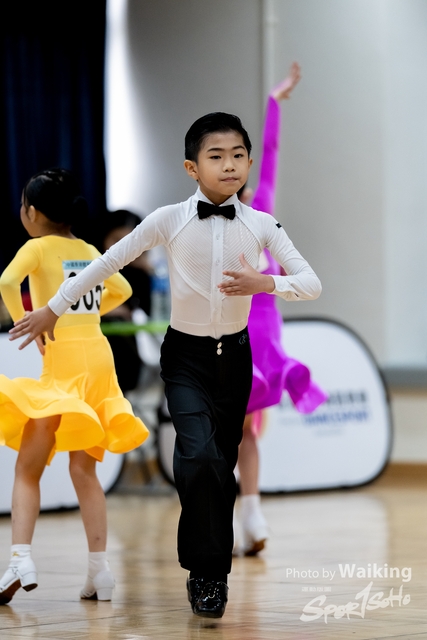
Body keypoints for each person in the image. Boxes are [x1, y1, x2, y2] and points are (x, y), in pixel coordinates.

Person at [10, 115, 322, 618]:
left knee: (220, 467)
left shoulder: (262, 225)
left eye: (238, 155)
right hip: (185, 357)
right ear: (191, 167)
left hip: (235, 358)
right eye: (216, 156)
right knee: (199, 458)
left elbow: (310, 283)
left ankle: (213, 569)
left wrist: (266, 284)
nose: (229, 165)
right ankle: (206, 573)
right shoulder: (167, 219)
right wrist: (52, 308)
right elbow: (105, 264)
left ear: (248, 162)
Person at [0, 169, 149, 605]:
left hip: (64, 359)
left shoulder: (36, 247)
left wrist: (28, 324)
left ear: (32, 212)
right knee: (84, 470)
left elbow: (7, 282)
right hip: (99, 359)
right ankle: (99, 571)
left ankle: (20, 559)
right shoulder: (88, 250)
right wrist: (87, 313)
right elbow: (121, 289)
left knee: (29, 467)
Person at [235, 63, 328, 556]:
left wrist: (274, 101)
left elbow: (269, 154)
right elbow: (269, 153)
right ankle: (242, 515)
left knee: (242, 428)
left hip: (253, 330)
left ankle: (249, 514)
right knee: (238, 429)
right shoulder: (225, 220)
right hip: (241, 330)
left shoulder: (256, 211)